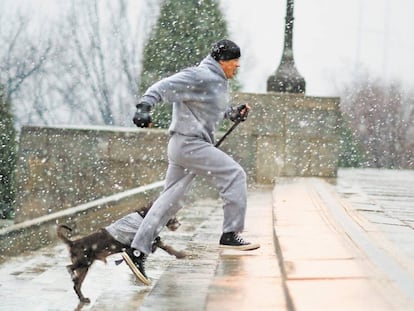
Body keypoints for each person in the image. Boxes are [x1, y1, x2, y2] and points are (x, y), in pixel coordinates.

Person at [122, 39, 260, 285]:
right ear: (223, 61)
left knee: (169, 201)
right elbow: (163, 86)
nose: (237, 66)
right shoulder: (199, 75)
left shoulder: (217, 81)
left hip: (186, 146)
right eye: (235, 62)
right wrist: (144, 106)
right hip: (190, 144)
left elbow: (214, 106)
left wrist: (233, 112)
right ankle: (230, 233)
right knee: (235, 174)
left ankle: (137, 251)